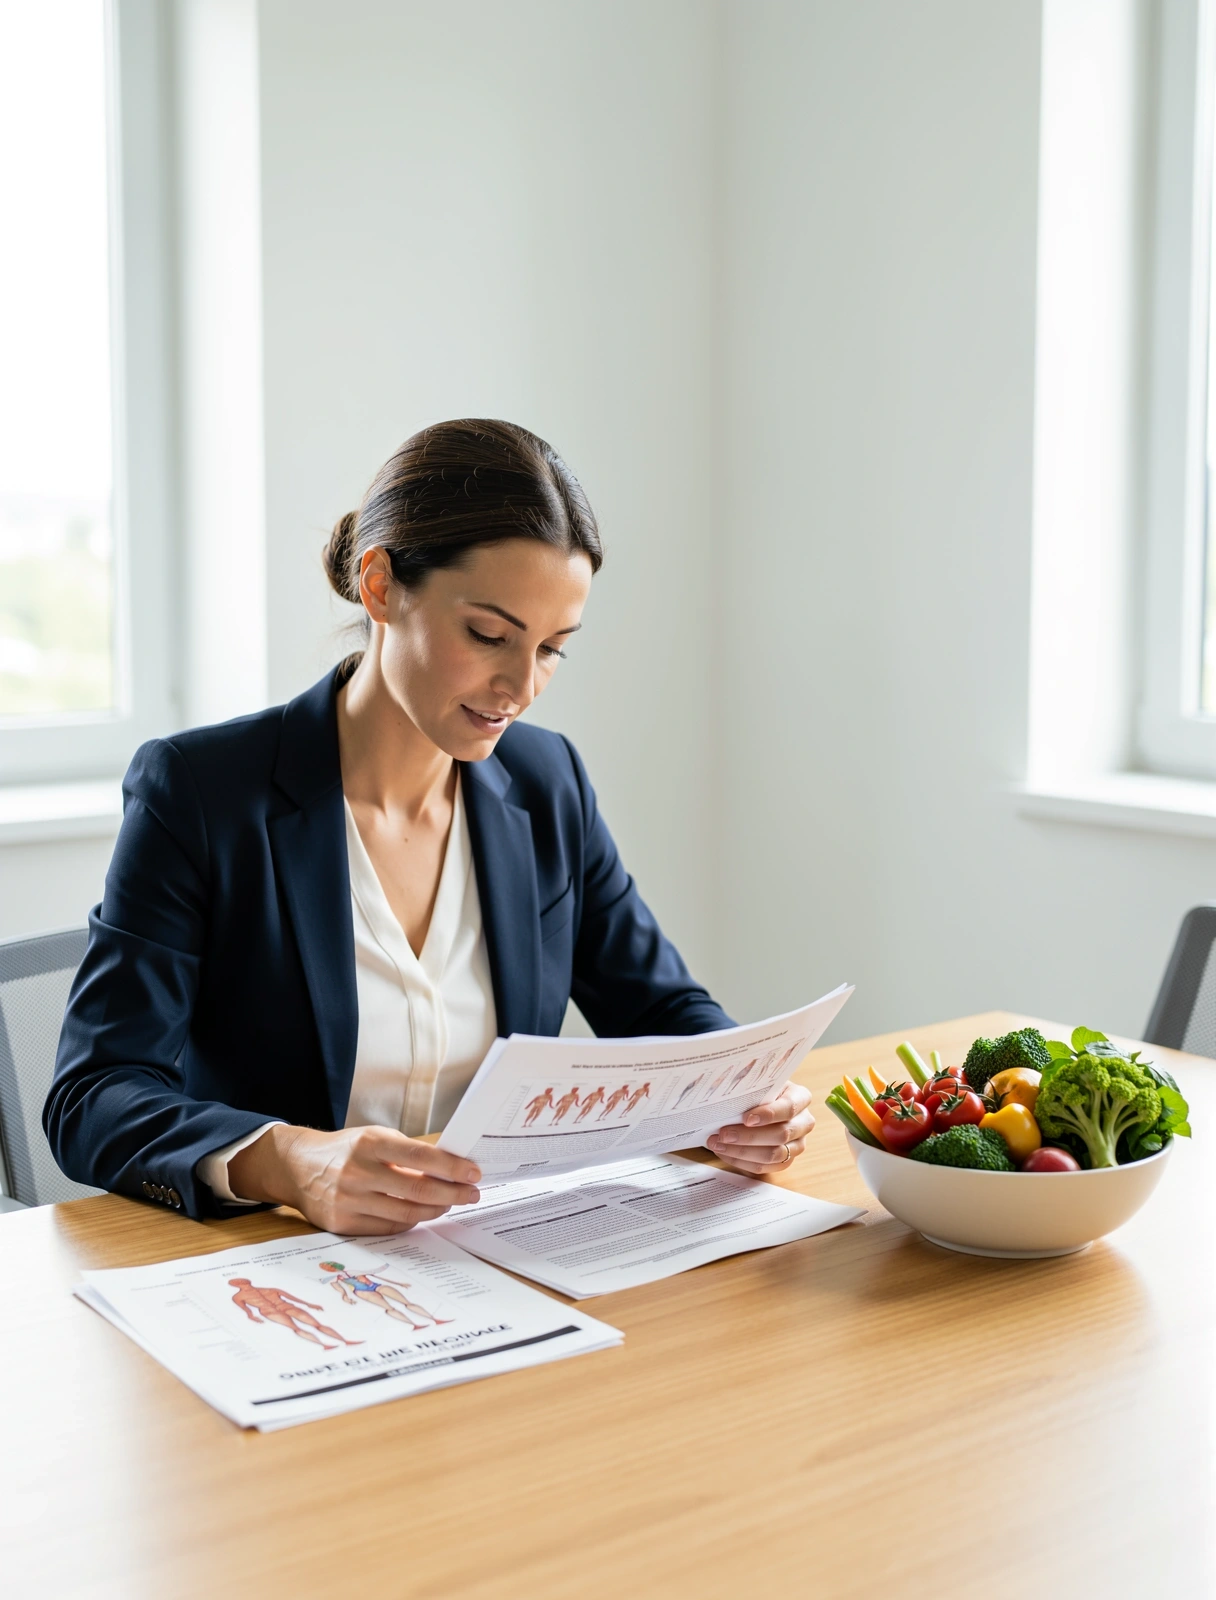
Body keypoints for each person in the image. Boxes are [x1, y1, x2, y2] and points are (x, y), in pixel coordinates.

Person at [45, 419, 814, 1234]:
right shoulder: (202, 793)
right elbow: (93, 1096)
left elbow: (661, 1009)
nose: (520, 685)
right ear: (380, 587)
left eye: (554, 648)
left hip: (501, 1259)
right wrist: (293, 1161)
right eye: (488, 635)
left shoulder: (548, 785)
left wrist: (745, 1093)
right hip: (283, 1267)